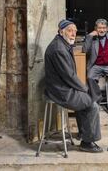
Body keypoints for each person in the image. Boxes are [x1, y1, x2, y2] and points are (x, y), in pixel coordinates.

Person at [44, 19, 103, 153]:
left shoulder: (62, 44)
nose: (73, 34)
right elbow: (69, 75)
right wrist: (84, 88)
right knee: (92, 104)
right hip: (60, 90)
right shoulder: (58, 48)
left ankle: (84, 134)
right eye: (69, 31)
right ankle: (87, 143)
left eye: (75, 31)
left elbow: (69, 75)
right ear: (61, 32)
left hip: (63, 87)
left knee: (86, 99)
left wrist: (82, 89)